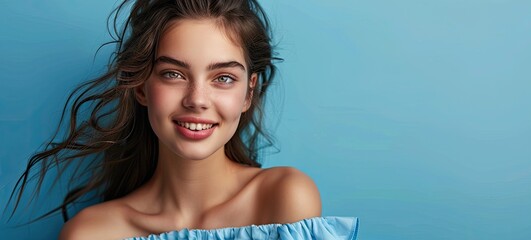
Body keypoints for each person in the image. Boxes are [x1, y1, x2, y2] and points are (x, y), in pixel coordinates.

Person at [9, 0, 358, 239]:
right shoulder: (93, 233)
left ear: (249, 93)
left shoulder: (285, 197)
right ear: (142, 86)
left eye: (223, 78)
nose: (197, 100)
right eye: (173, 74)